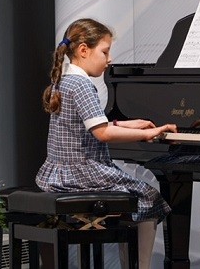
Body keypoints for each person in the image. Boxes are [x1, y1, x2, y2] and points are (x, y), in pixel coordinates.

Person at [36, 18, 177, 269]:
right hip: (82, 173)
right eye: (105, 51)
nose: (109, 59)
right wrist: (147, 134)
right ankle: (138, 266)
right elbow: (101, 134)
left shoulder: (64, 81)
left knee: (138, 195)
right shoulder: (82, 85)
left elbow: (88, 126)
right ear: (83, 50)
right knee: (148, 195)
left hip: (58, 172)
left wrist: (127, 125)